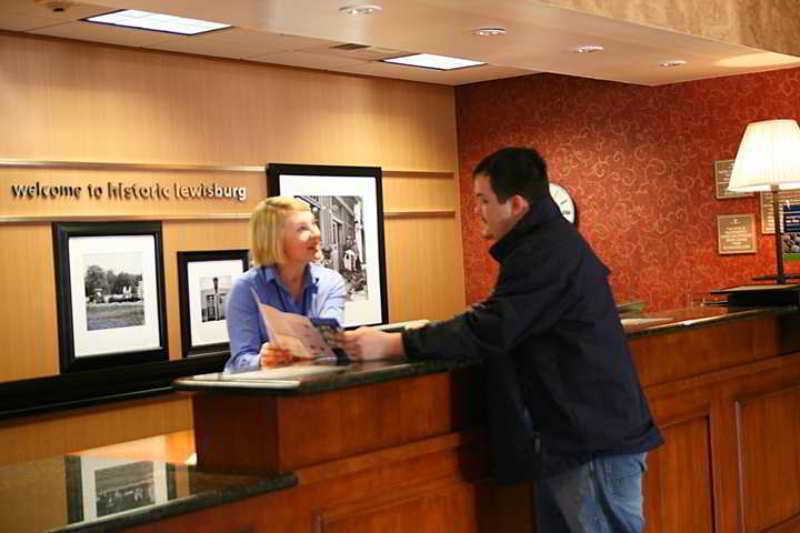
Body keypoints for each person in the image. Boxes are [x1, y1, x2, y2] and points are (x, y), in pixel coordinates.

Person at [341, 147, 663, 533]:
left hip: (590, 442)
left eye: (482, 200)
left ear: (515, 204)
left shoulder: (544, 252)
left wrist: (395, 345)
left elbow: (490, 329)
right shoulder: (547, 244)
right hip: (573, 440)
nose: (476, 211)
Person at [224, 197, 347, 372]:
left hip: (318, 388)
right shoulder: (245, 289)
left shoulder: (331, 282)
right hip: (266, 394)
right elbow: (239, 362)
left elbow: (331, 347)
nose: (316, 233)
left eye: (314, 223)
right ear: (275, 240)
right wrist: (261, 360)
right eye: (302, 228)